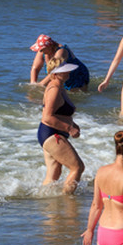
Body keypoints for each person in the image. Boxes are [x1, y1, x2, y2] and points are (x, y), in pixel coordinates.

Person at [38, 61, 85, 193]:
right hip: (52, 134)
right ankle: (68, 199)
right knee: (77, 167)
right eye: (65, 70)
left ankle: (49, 206)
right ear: (56, 73)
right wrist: (69, 128)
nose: (69, 72)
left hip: (49, 133)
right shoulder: (54, 89)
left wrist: (73, 124)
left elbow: (59, 112)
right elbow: (47, 117)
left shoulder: (59, 87)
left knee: (54, 173)